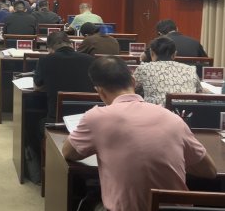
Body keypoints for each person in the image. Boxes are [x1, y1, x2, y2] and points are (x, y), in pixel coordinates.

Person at [62, 56, 217, 211]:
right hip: (176, 209)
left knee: (86, 202)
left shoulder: (96, 118)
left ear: (100, 92)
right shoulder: (172, 118)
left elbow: (68, 152)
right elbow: (209, 171)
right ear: (133, 82)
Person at [34, 31, 95, 122]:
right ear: (72, 45)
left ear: (49, 49)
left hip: (57, 120)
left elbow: (37, 87)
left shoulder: (45, 60)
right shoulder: (90, 59)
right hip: (87, 118)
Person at [134, 36, 202, 106]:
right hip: (188, 111)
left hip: (156, 112)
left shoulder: (143, 68)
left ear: (151, 53)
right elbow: (199, 91)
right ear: (174, 54)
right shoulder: (190, 69)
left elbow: (131, 89)